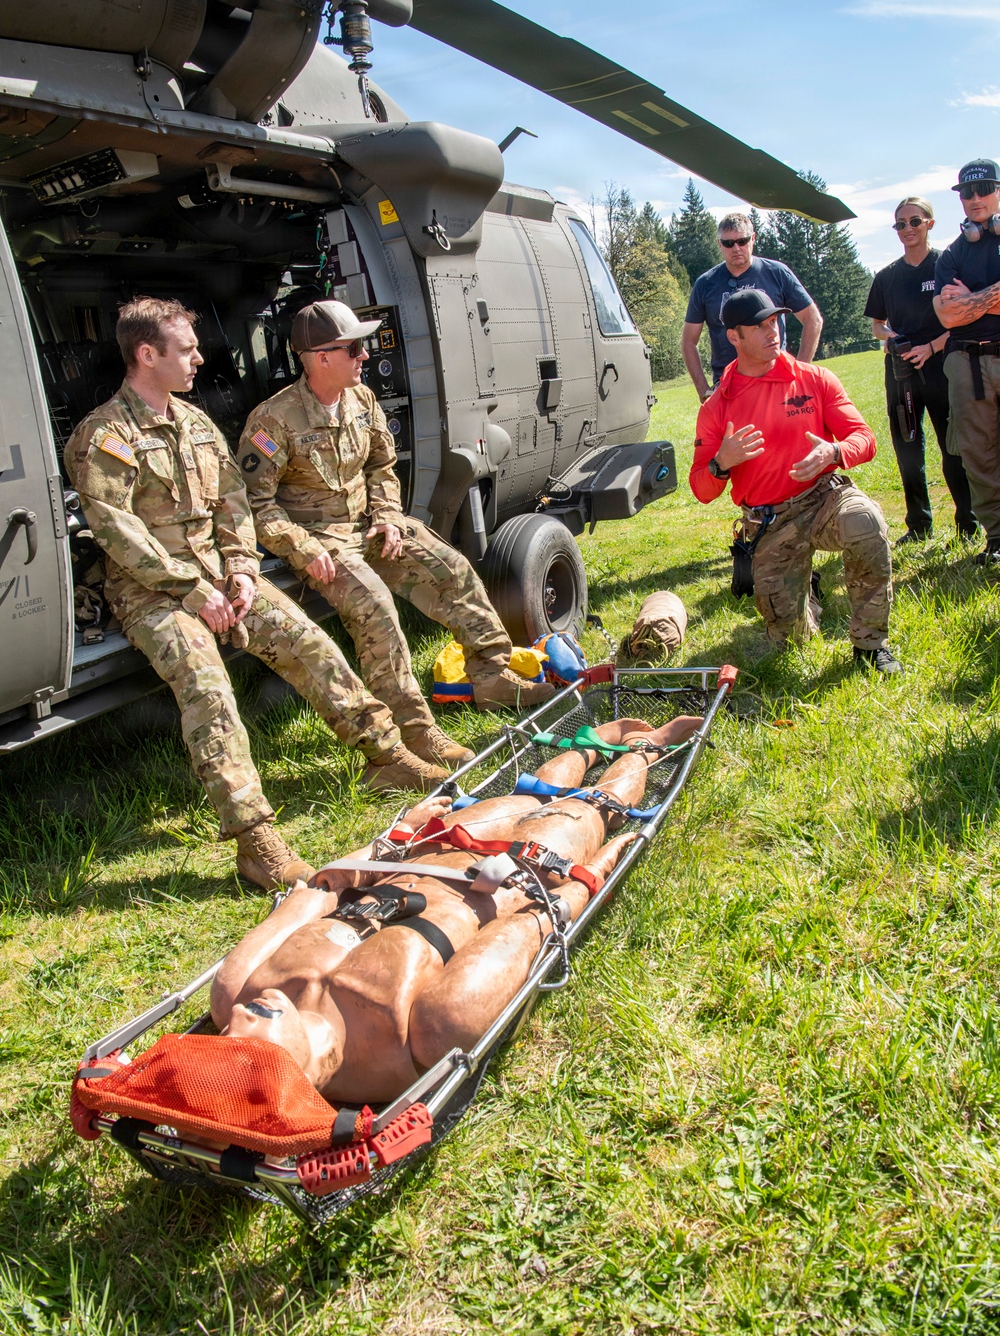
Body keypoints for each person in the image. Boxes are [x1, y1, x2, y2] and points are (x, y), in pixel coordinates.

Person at [65, 299, 450, 894]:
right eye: (186, 348)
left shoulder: (194, 424)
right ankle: (256, 842)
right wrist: (190, 588)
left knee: (310, 643)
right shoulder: (105, 436)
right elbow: (116, 528)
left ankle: (387, 755)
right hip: (152, 591)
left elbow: (233, 503)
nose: (199, 357)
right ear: (147, 355)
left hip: (221, 576)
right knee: (208, 686)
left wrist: (242, 570)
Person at [209, 711, 703, 1103]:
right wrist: (595, 871)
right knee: (589, 808)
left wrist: (397, 838)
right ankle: (644, 748)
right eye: (240, 1044)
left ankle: (587, 746)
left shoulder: (239, 988)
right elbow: (530, 926)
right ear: (290, 1075)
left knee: (526, 793)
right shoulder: (427, 1031)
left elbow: (321, 886)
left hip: (433, 853)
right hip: (515, 877)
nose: (233, 1025)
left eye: (224, 1035)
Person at [236, 299, 553, 770]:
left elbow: (382, 464)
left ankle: (492, 677)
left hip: (369, 526)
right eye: (354, 348)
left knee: (452, 568)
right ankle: (415, 731)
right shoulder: (273, 421)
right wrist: (300, 547)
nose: (365, 356)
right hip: (319, 540)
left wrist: (386, 513)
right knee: (376, 607)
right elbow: (254, 504)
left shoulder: (361, 399)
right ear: (321, 357)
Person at [689, 289, 901, 672]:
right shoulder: (717, 406)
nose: (774, 331)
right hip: (770, 522)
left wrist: (833, 453)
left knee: (865, 521)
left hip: (822, 499)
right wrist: (723, 461)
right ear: (733, 337)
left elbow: (864, 439)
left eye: (775, 321)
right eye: (760, 326)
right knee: (791, 641)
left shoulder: (814, 379)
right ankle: (807, 594)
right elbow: (702, 489)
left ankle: (870, 646)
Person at [865, 197, 977, 545]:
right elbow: (877, 325)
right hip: (902, 373)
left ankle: (967, 523)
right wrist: (892, 337)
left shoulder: (947, 265)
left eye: (915, 221)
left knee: (953, 448)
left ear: (930, 223)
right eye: (900, 224)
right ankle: (919, 525)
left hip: (944, 366)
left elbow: (964, 318)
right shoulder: (887, 276)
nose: (907, 229)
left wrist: (931, 347)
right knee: (908, 450)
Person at [932, 159, 1000, 564]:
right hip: (966, 364)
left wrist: (972, 299)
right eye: (967, 193)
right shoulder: (951, 255)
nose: (975, 199)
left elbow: (962, 307)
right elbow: (947, 316)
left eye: (984, 189)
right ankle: (997, 538)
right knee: (978, 455)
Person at [682, 211, 823, 400]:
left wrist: (800, 370)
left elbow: (812, 319)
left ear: (753, 238)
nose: (736, 248)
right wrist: (703, 391)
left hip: (776, 381)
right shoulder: (705, 284)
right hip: (729, 387)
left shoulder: (777, 273)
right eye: (728, 243)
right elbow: (688, 341)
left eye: (742, 241)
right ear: (719, 244)